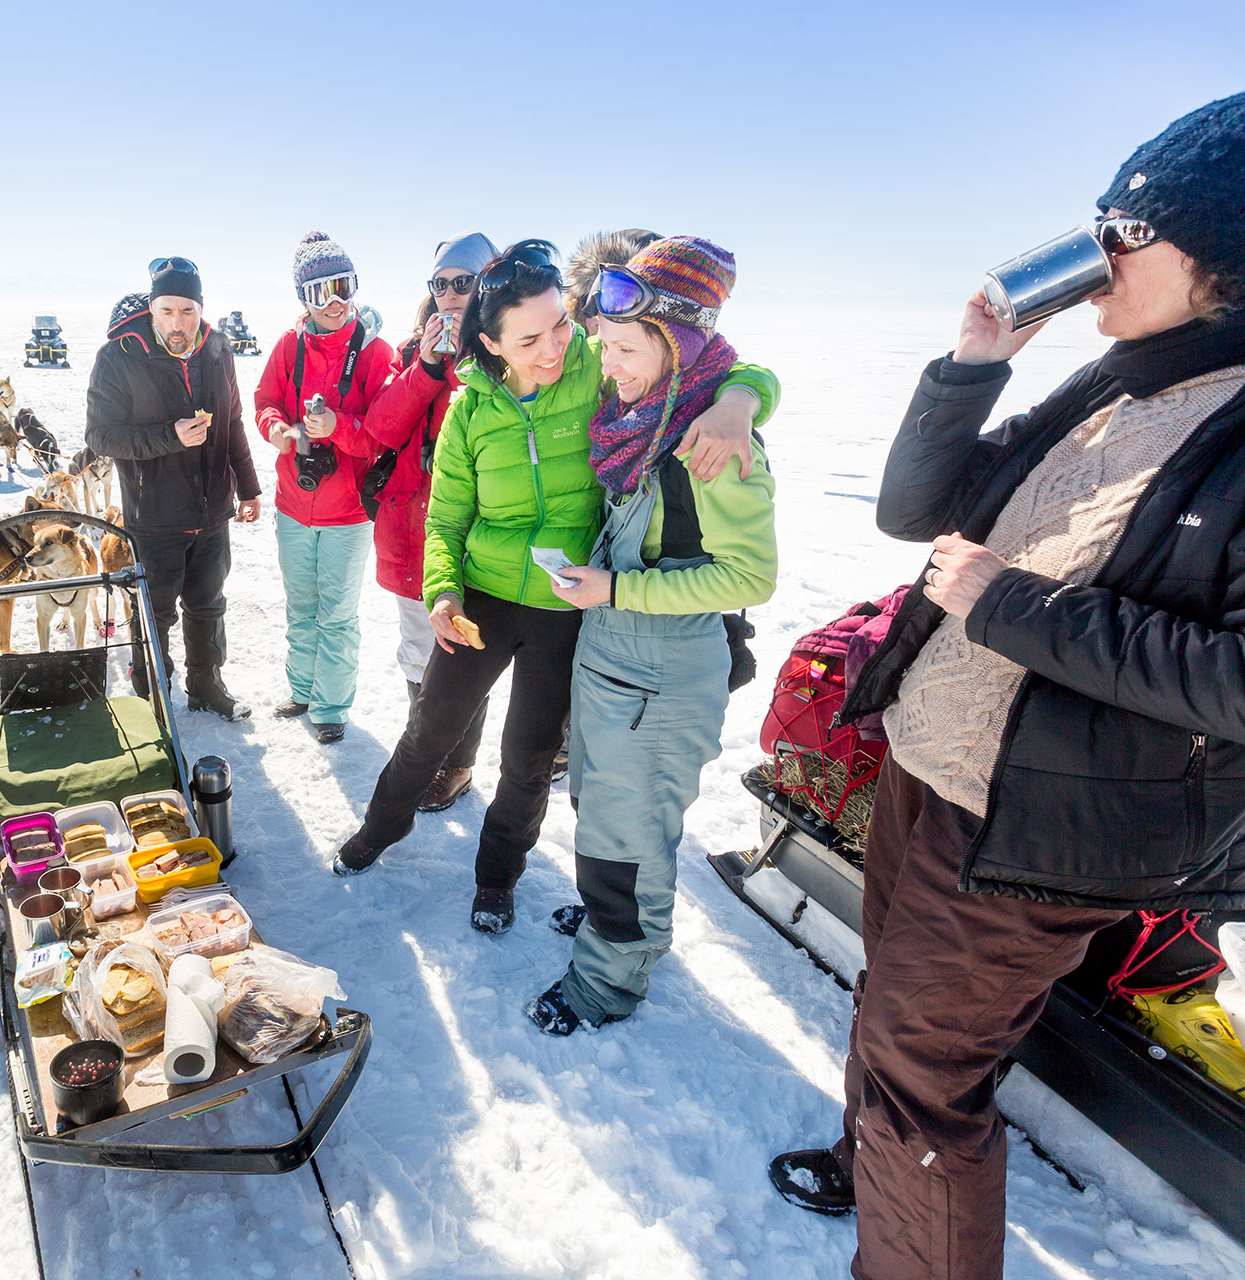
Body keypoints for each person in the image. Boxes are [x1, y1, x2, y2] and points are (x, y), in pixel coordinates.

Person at [768, 92, 1245, 1280]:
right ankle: (871, 1154)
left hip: (1041, 825)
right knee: (898, 1015)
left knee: (924, 1079)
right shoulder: (1118, 383)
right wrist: (969, 371)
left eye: (1132, 231)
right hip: (941, 764)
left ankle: (907, 1229)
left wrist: (1005, 602)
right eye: (1100, 222)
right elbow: (917, 513)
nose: (1099, 256)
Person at [330, 240, 778, 933]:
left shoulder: (595, 371)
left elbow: (708, 361)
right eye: (530, 338)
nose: (555, 348)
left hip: (569, 606)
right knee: (430, 733)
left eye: (562, 326)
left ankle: (496, 879)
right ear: (492, 341)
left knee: (529, 758)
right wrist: (442, 593)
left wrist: (743, 400)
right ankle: (375, 834)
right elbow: (446, 518)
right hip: (482, 599)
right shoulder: (470, 411)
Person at [527, 237, 777, 1033]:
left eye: (627, 348)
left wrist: (617, 588)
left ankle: (609, 980)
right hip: (615, 660)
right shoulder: (644, 416)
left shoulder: (712, 443)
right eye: (605, 344)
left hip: (661, 678)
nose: (611, 364)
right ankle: (614, 926)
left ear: (678, 344)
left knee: (630, 837)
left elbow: (750, 577)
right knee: (601, 810)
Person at [87, 255, 262, 721]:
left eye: (188, 310)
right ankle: (151, 698)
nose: (177, 322)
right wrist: (170, 436)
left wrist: (248, 487)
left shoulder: (218, 349)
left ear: (201, 309)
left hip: (211, 512)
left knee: (208, 606)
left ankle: (207, 686)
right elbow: (100, 436)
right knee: (154, 614)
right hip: (153, 515)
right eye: (167, 310)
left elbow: (234, 423)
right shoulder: (119, 356)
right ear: (152, 307)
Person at [363, 231, 496, 804]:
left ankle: (457, 765)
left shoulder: (507, 350)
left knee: (462, 652)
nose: (449, 295)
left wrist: (471, 362)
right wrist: (428, 367)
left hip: (470, 532)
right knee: (418, 647)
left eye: (462, 283)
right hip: (408, 524)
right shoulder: (413, 350)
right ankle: (425, 747)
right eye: (439, 284)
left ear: (487, 283)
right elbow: (381, 430)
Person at [254, 232, 394, 744]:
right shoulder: (288, 346)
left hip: (347, 514)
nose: (335, 302)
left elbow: (384, 432)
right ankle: (302, 690)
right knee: (301, 608)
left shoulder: (376, 353)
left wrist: (337, 427)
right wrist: (275, 428)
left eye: (343, 287)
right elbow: (266, 399)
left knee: (336, 614)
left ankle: (330, 705)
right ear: (303, 299)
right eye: (320, 292)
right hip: (293, 506)